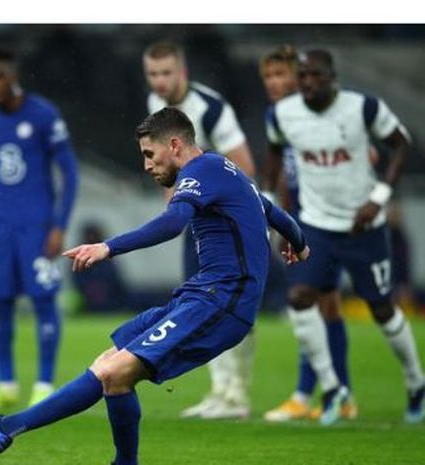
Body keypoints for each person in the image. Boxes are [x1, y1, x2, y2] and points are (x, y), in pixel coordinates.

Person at [0, 107, 324, 464]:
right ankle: (17, 431)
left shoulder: (201, 171)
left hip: (221, 302)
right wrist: (299, 242)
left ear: (176, 145)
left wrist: (107, 247)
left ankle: (5, 428)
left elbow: (173, 222)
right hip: (200, 296)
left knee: (114, 372)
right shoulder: (224, 171)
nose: (147, 165)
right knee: (110, 368)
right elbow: (272, 211)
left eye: (150, 154)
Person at [264, 49, 424, 424]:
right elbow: (272, 157)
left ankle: (416, 382)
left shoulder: (363, 108)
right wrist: (272, 208)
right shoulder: (283, 114)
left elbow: (401, 142)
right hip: (316, 226)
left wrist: (379, 196)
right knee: (300, 298)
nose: (308, 83)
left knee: (382, 310)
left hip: (363, 227)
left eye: (316, 75)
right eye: (302, 76)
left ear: (332, 76)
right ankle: (333, 388)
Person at [143, 40, 256, 419]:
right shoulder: (155, 108)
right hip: (195, 221)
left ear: (183, 73)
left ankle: (237, 393)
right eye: (153, 74)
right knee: (200, 300)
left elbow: (243, 166)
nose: (159, 82)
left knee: (231, 301)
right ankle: (220, 390)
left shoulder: (211, 108)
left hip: (229, 222)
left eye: (166, 73)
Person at [0, 48, 79, 410]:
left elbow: (70, 173)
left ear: (13, 76)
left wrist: (59, 224)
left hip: (36, 226)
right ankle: (6, 384)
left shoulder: (43, 115)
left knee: (44, 300)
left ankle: (44, 383)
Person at [259, 45, 357, 422]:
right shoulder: (279, 118)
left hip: (318, 218)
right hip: (301, 216)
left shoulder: (317, 116)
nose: (274, 83)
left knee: (308, 303)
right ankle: (340, 395)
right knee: (323, 304)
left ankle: (308, 393)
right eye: (268, 77)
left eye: (281, 75)